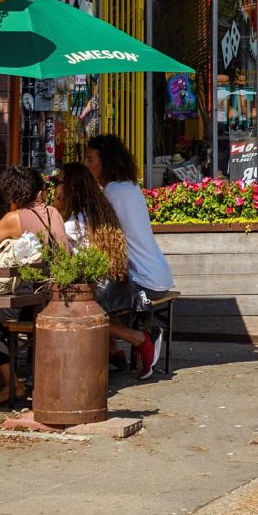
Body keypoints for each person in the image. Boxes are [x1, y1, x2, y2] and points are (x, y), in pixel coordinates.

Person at [86, 134, 172, 379]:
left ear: (105, 161)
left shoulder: (113, 192)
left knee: (85, 306)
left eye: (90, 158)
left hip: (143, 282)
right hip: (158, 275)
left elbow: (103, 243)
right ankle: (114, 353)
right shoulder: (130, 187)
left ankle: (139, 338)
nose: (87, 164)